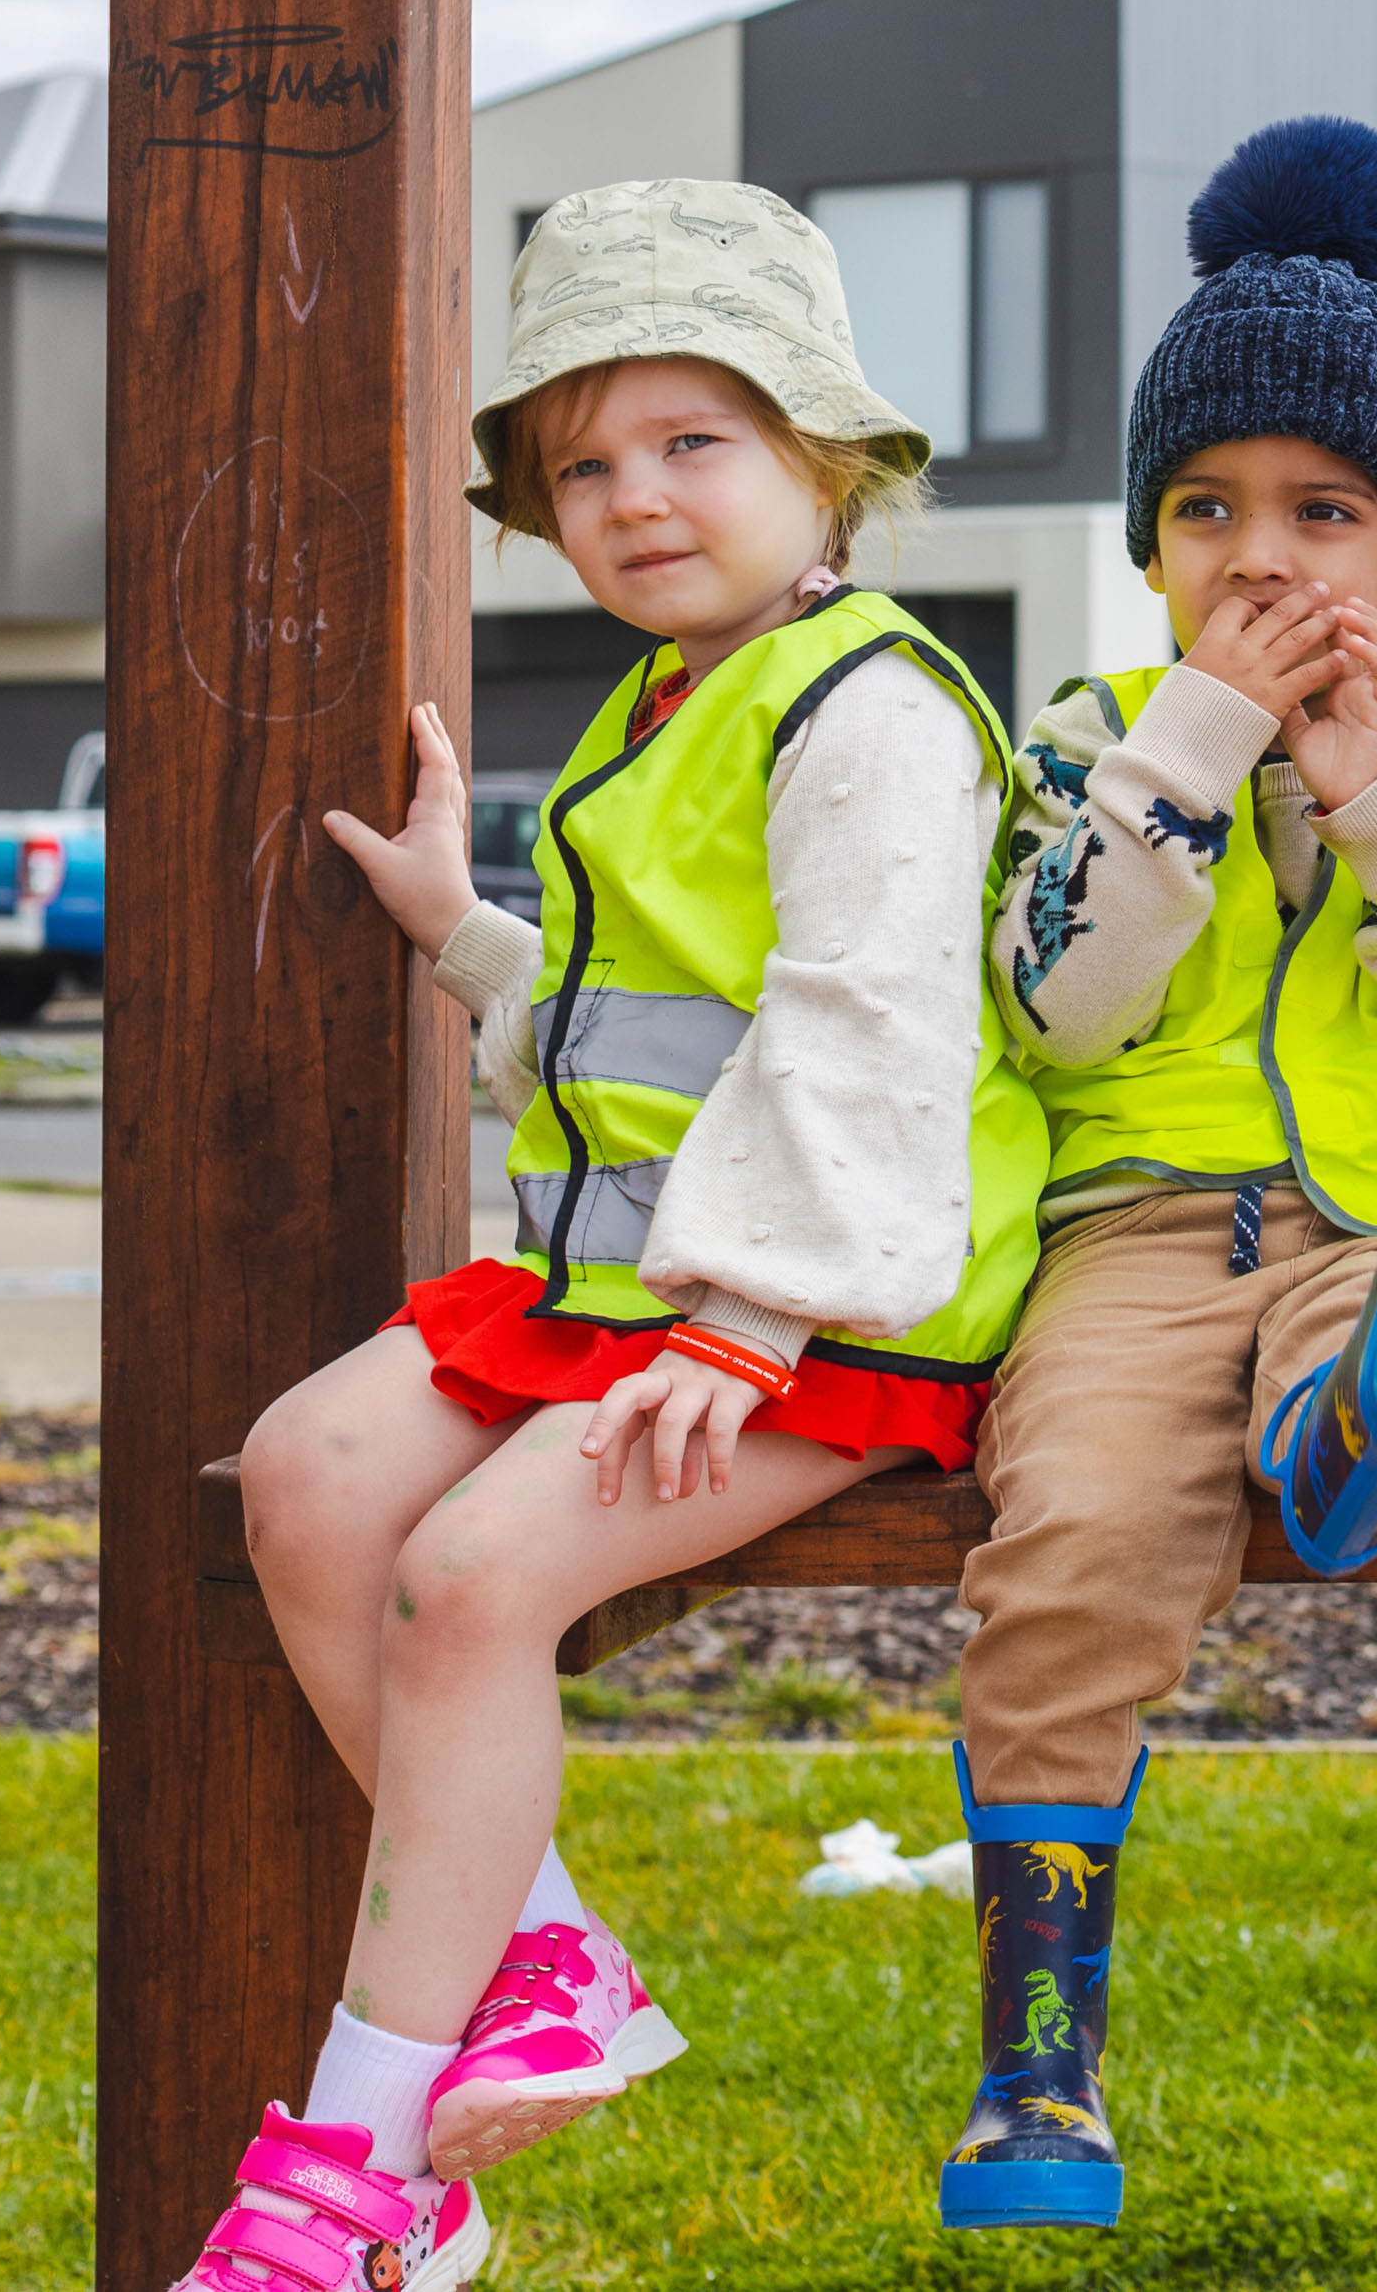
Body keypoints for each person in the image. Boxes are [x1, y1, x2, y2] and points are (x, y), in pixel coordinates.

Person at [208, 183, 1044, 2292]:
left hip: (826, 1302)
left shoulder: (869, 703)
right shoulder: (676, 701)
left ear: (821, 459)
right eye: (583, 461)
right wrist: (462, 928)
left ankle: (363, 2164)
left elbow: (866, 1029)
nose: (631, 496)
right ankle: (545, 1950)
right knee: (310, 1473)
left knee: (472, 1573)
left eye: (695, 440)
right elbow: (651, 1023)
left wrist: (753, 1315)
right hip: (633, 1284)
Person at [947, 117, 1377, 2230]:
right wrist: (1197, 759)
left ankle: (1360, 1432)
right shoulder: (1093, 734)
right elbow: (1064, 1011)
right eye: (1208, 509)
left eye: (1325, 512)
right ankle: (1037, 2072)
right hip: (1138, 1227)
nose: (1262, 554)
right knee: (1066, 1540)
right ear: (1149, 545)